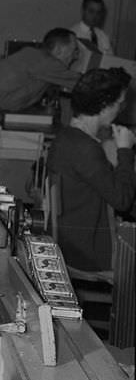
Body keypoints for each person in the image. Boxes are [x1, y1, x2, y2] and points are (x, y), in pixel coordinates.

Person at [46, 68, 135, 272]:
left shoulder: (67, 136)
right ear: (104, 106)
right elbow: (122, 200)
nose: (121, 109)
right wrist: (125, 151)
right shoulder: (86, 148)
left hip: (70, 241)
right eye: (119, 104)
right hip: (87, 253)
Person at [0, 28, 80, 122]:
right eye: (74, 50)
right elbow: (83, 83)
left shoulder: (34, 55)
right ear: (59, 50)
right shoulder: (47, 63)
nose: (75, 57)